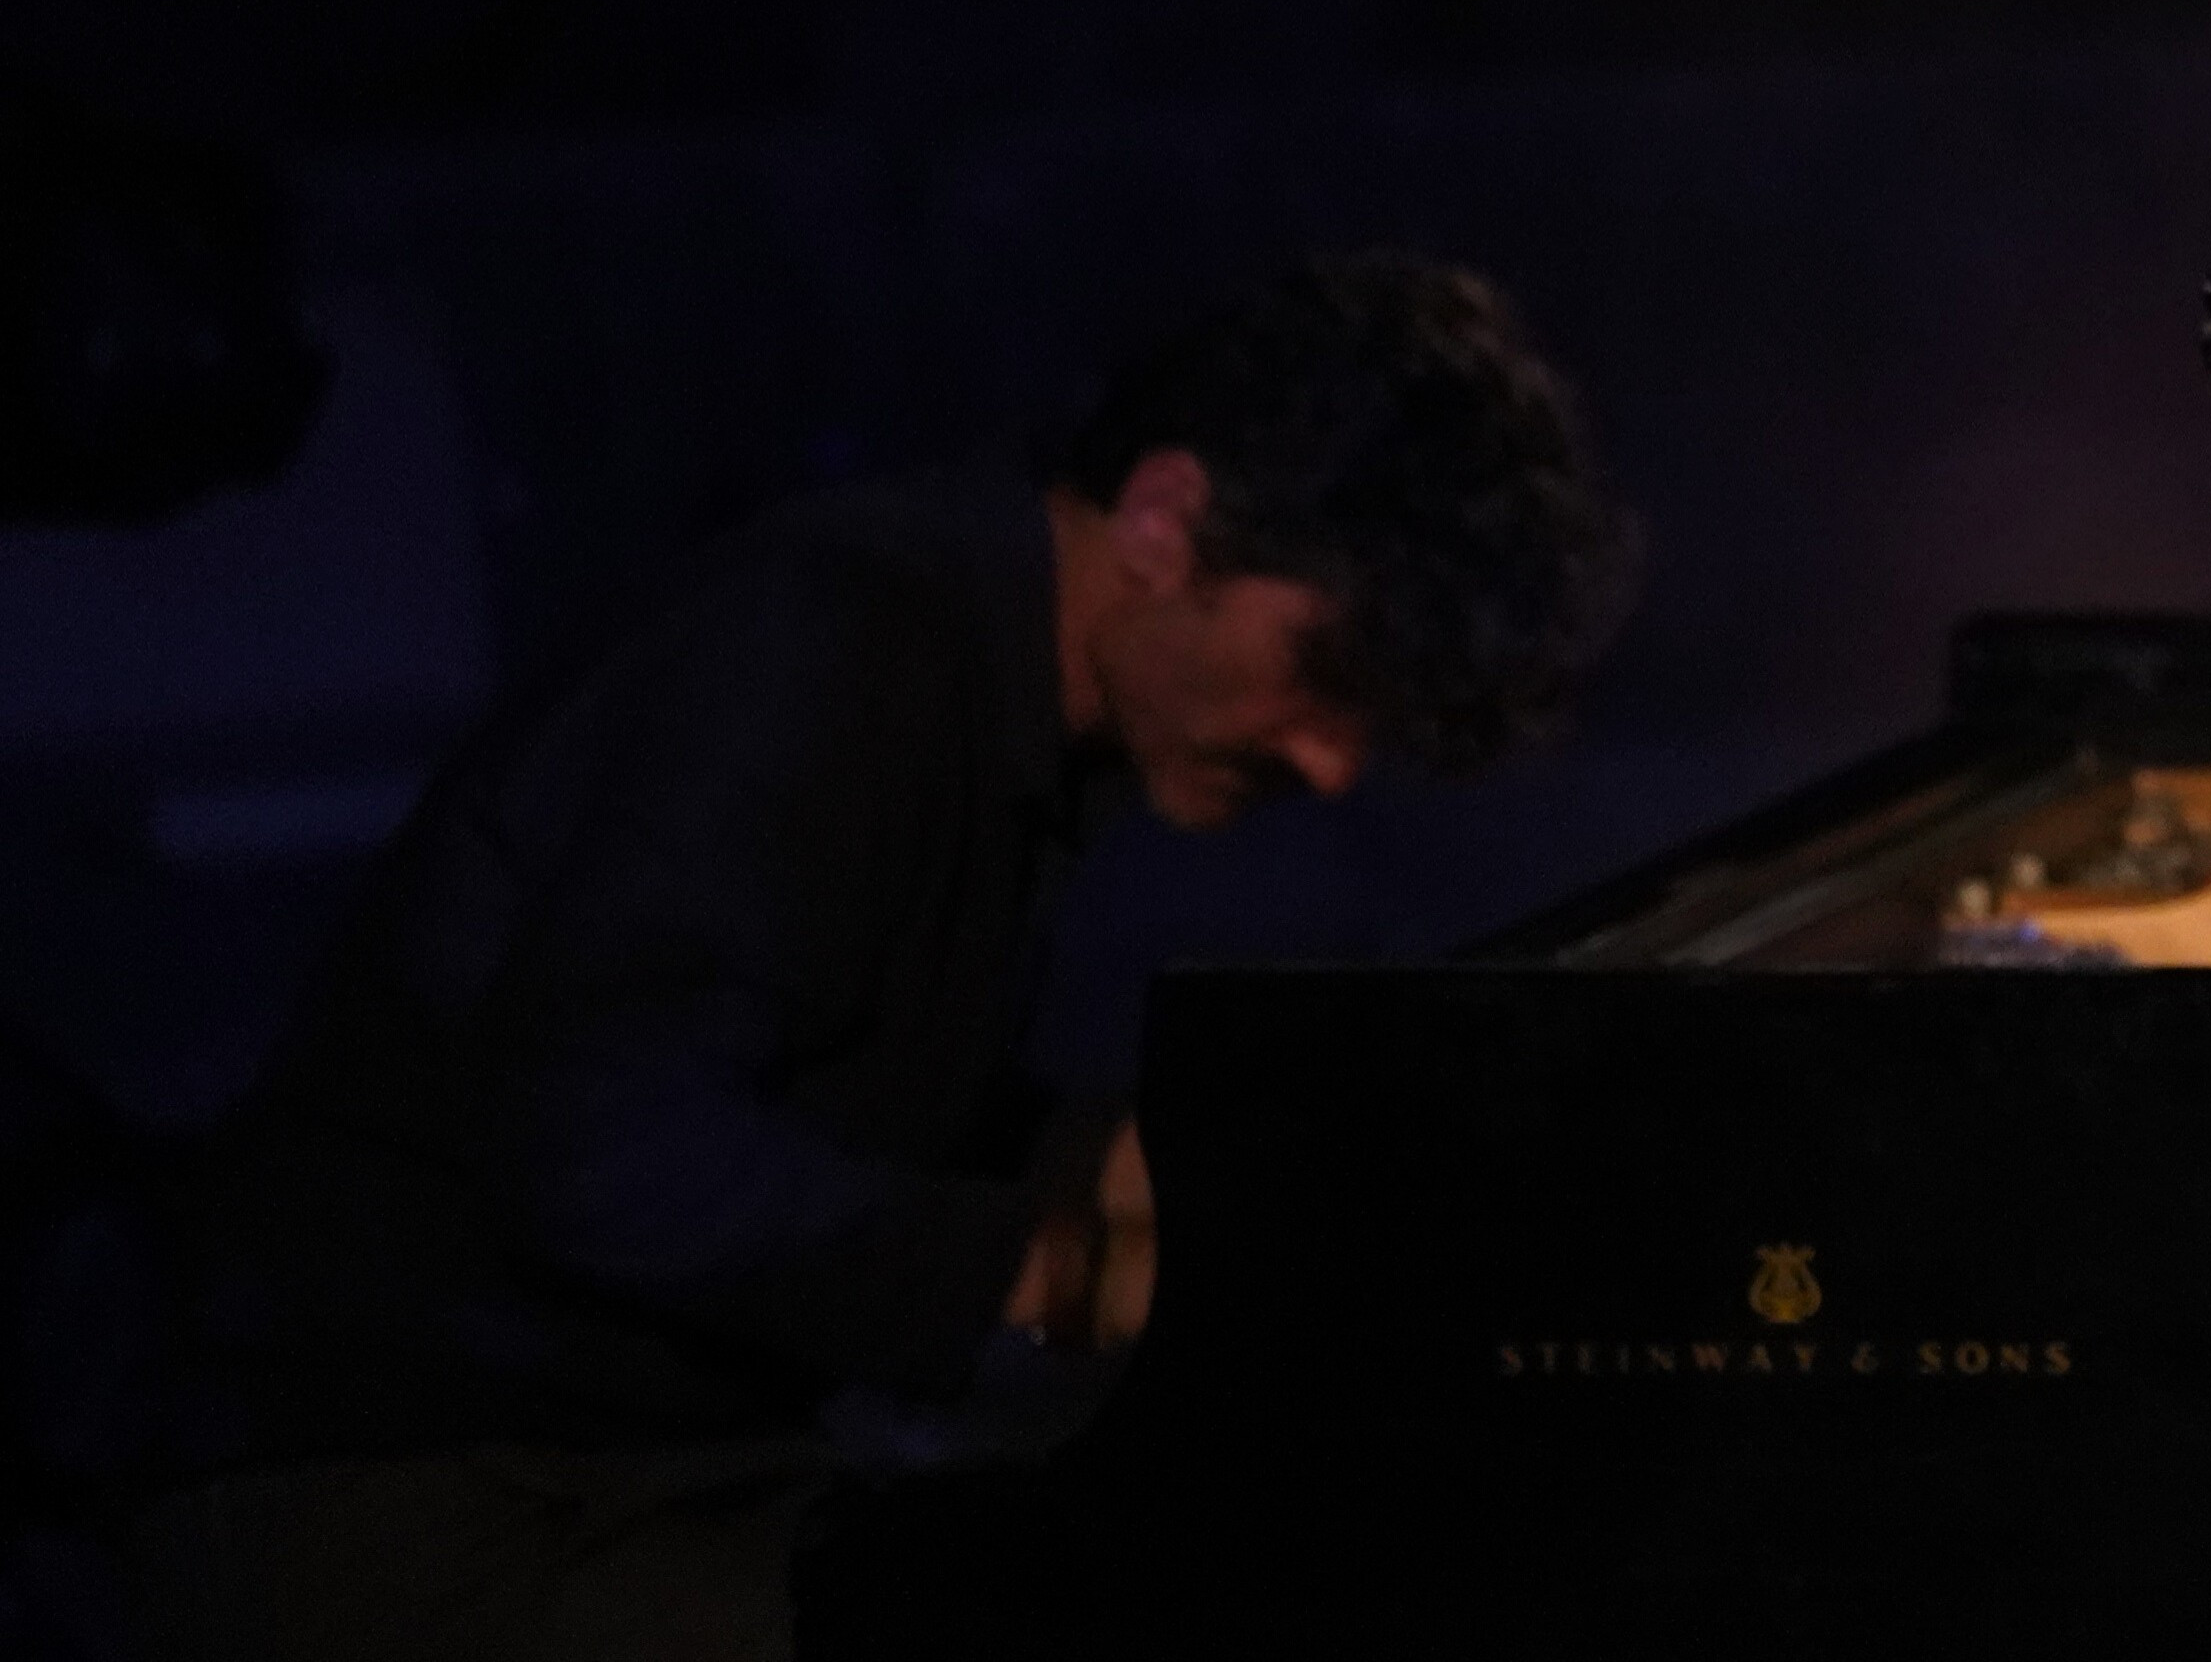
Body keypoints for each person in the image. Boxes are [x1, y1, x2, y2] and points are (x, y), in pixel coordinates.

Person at [132, 250, 1639, 1662]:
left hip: (586, 1477)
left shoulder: (977, 690)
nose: (1330, 761)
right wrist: (1062, 1274)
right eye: (1328, 676)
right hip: (415, 1514)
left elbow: (808, 1095)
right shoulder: (840, 640)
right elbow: (606, 1143)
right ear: (1164, 519)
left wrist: (1140, 1164)